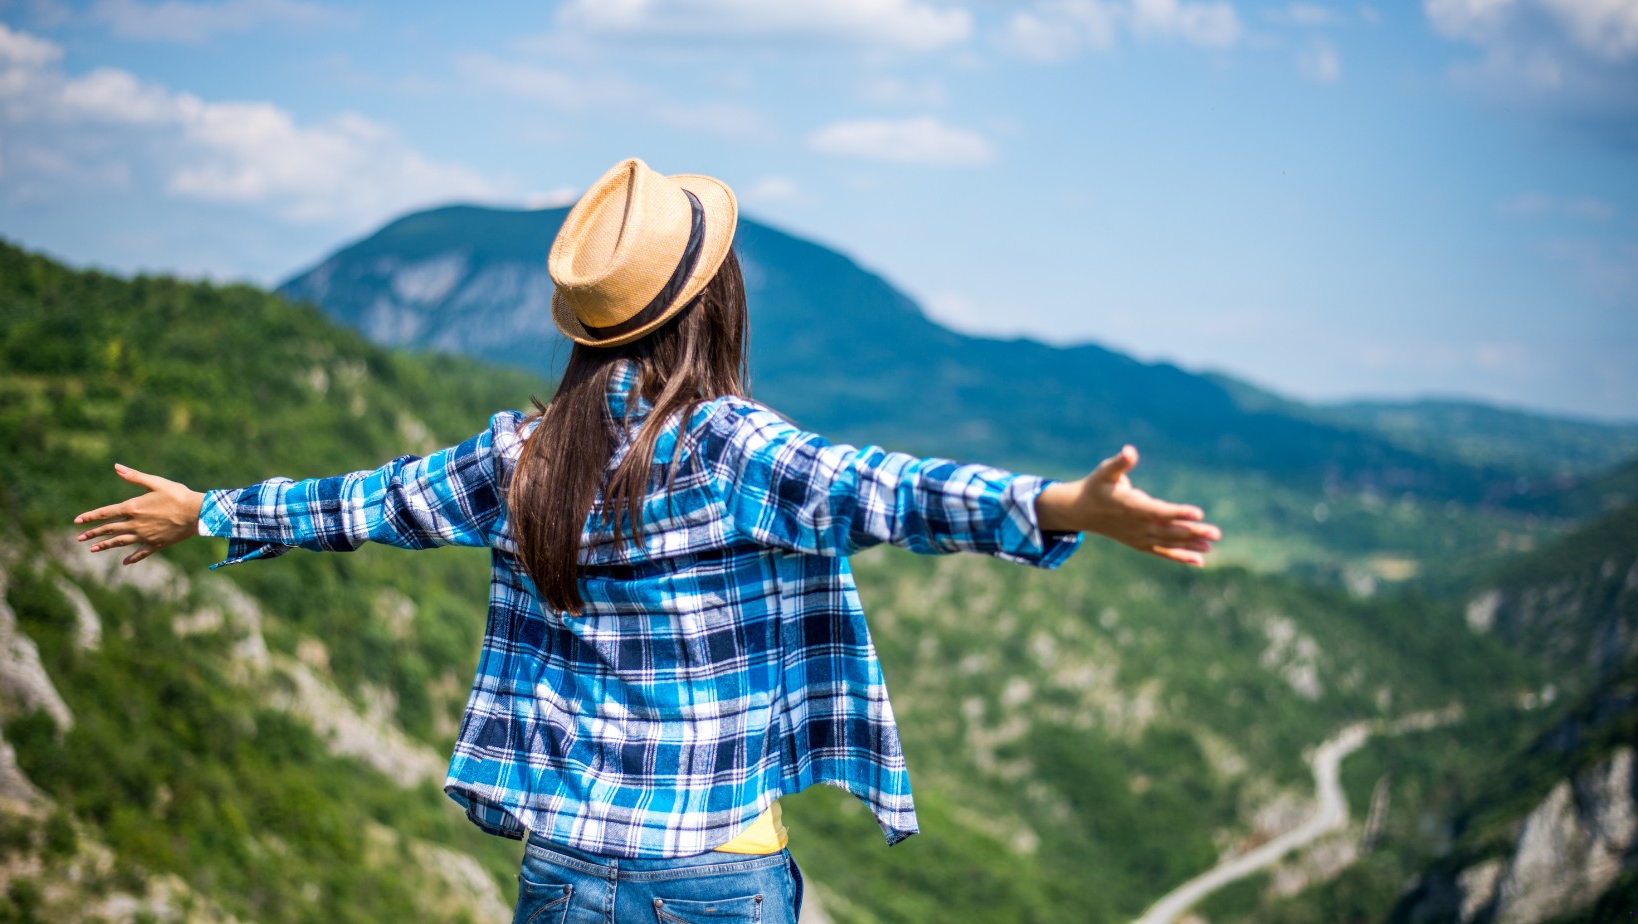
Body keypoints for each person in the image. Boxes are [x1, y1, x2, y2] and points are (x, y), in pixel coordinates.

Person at [73, 158, 1221, 924]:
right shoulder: (732, 447)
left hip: (565, 869)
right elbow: (892, 491)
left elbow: (363, 502)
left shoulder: (520, 455)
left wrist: (209, 510)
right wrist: (1061, 507)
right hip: (714, 874)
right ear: (714, 304)